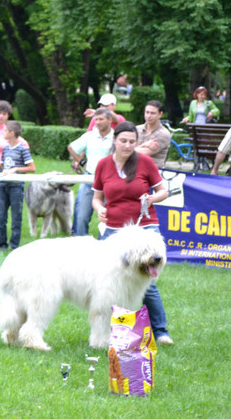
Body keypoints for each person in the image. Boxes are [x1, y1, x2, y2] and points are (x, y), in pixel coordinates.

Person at [91, 121, 173, 346]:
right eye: (123, 141)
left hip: (144, 226)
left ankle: (161, 331)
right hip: (113, 229)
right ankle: (111, 331)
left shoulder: (145, 162)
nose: (127, 146)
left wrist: (152, 198)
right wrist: (100, 210)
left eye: (132, 142)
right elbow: (97, 197)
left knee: (146, 279)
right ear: (114, 141)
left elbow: (163, 190)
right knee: (109, 283)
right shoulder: (103, 165)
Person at [0, 120, 35, 251]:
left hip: (16, 187)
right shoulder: (6, 148)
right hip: (3, 186)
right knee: (0, 216)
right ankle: (1, 245)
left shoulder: (22, 149)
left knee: (16, 218)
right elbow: (4, 163)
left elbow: (32, 167)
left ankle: (14, 246)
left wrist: (15, 169)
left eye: (5, 131)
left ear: (12, 133)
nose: (3, 133)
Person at [68, 108, 114, 236]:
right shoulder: (89, 135)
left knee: (108, 217)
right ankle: (81, 243)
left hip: (109, 181)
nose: (98, 122)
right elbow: (71, 147)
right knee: (81, 216)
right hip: (89, 179)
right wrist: (82, 162)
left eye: (101, 119)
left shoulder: (116, 137)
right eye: (96, 119)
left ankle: (105, 243)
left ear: (110, 120)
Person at [0, 101, 28, 232]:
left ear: (8, 116)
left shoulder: (8, 131)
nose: (1, 116)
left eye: (4, 114)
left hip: (1, 167)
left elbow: (23, 144)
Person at [135, 100, 171, 168]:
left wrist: (128, 150)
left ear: (160, 114)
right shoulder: (137, 129)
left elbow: (142, 154)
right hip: (134, 169)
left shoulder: (163, 134)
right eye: (147, 112)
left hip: (153, 172)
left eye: (152, 113)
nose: (149, 116)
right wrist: (144, 145)